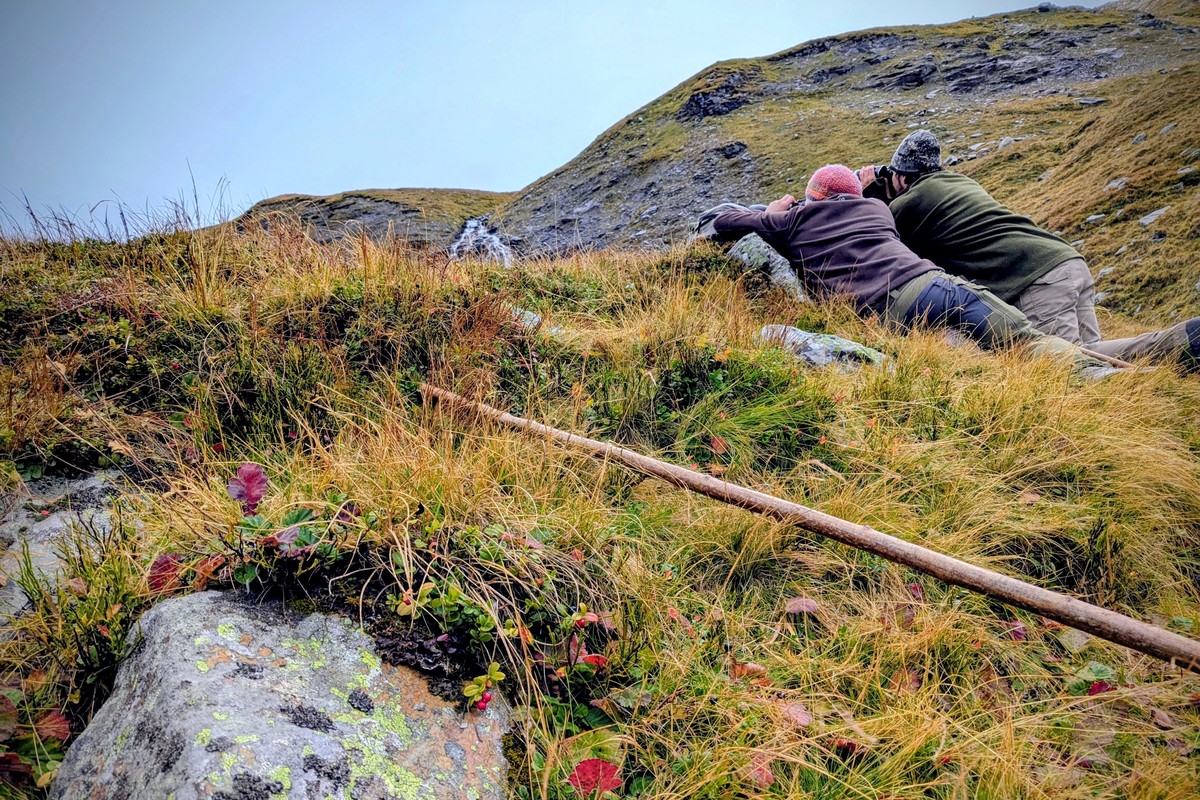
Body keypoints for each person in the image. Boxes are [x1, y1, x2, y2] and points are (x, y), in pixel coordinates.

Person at [699, 164, 1113, 374]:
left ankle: (1093, 374)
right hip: (936, 285)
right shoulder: (878, 208)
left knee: (970, 355)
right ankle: (1090, 373)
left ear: (813, 197)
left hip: (888, 312)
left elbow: (724, 221)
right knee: (1020, 336)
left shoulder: (793, 221)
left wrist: (775, 212)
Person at [859, 131, 1199, 369]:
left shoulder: (911, 201)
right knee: (1095, 359)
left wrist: (866, 190)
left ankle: (1180, 342)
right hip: (1065, 261)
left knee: (1072, 365)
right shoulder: (959, 182)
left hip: (1039, 279)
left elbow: (876, 236)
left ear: (902, 178)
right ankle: (1164, 367)